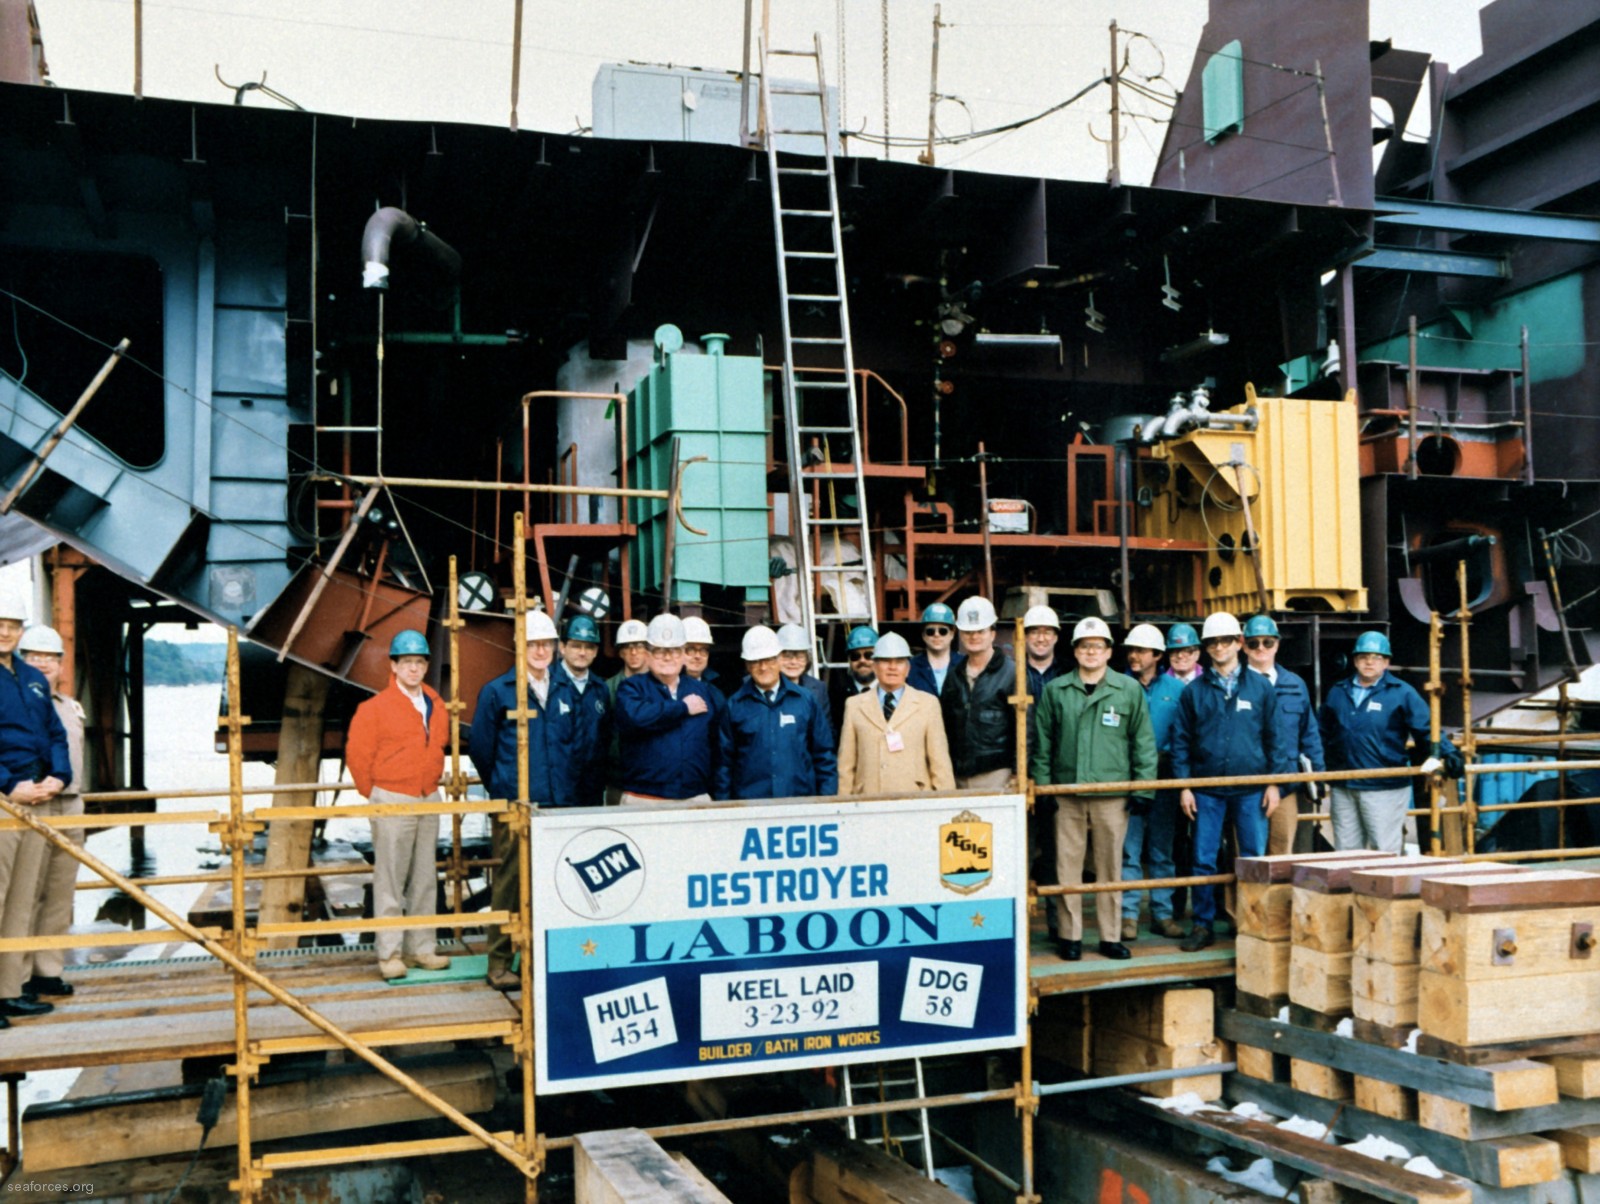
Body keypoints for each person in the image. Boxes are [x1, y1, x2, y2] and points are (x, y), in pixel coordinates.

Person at [469, 609, 590, 988]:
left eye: (546, 644)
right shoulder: (497, 692)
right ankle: (500, 962)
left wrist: (566, 789)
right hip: (516, 806)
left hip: (560, 805)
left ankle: (543, 958)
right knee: (509, 882)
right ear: (519, 647)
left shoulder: (566, 690)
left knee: (556, 884)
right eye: (533, 644)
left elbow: (579, 746)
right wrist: (504, 787)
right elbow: (480, 750)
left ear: (556, 648)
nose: (540, 650)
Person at [1030, 617, 1156, 962]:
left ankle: (1110, 936)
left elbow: (1142, 742)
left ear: (1108, 652)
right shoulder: (1056, 690)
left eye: (1097, 646)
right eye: (1084, 646)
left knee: (1110, 868)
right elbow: (1043, 745)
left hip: (1111, 795)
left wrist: (1143, 790)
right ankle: (1070, 937)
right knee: (1066, 868)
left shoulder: (1127, 690)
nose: (1091, 652)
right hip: (1067, 795)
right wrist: (1044, 791)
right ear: (1074, 651)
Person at [1170, 612, 1285, 952]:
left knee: (1252, 857)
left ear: (1238, 643)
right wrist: (1185, 786)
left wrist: (1274, 783)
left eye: (1225, 640)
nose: (1219, 647)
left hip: (1251, 788)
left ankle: (1253, 923)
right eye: (1212, 642)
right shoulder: (1194, 692)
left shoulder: (1261, 687)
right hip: (1207, 789)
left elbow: (1275, 738)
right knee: (1203, 858)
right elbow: (1181, 741)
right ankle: (1203, 924)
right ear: (1206, 648)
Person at [344, 630, 452, 981]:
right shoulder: (373, 709)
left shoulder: (436, 704)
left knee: (424, 877)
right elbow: (358, 756)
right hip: (393, 797)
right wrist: (376, 794)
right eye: (407, 662)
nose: (414, 669)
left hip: (428, 796)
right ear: (393, 666)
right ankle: (389, 953)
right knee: (390, 878)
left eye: (419, 662)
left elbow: (439, 746)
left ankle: (421, 949)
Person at [1319, 630, 1461, 854]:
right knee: (1345, 852)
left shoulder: (1402, 693)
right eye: (1364, 656)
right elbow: (1322, 732)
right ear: (1355, 660)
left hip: (1384, 787)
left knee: (1383, 850)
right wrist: (1320, 770)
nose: (1369, 662)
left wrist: (1449, 752)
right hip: (1344, 784)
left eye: (1376, 657)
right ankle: (1350, 890)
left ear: (1386, 663)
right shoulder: (1337, 692)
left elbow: (1426, 728)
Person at [0, 589, 69, 1024]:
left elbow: (56, 734)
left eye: (11, 625)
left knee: (22, 901)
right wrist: (9, 786)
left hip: (36, 796)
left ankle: (9, 991)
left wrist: (58, 777)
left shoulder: (32, 678)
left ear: (20, 631)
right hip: (5, 798)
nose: (4, 632)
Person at [16, 625, 83, 1000]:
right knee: (24, 895)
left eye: (50, 658)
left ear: (61, 664)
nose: (43, 664)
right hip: (32, 805)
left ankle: (47, 970)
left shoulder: (70, 707)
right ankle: (17, 976)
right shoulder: (15, 701)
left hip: (71, 805)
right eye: (33, 657)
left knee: (59, 895)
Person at [1118, 623, 1189, 941]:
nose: (1134, 656)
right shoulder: (1118, 687)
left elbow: (1185, 736)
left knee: (1162, 849)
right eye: (1131, 650)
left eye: (1141, 651)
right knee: (1129, 850)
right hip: (1127, 776)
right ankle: (1128, 916)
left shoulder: (1177, 692)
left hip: (1164, 776)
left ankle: (1162, 913)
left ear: (1158, 655)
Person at [613, 614, 723, 804]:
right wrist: (682, 707)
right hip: (644, 798)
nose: (667, 657)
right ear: (647, 655)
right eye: (659, 651)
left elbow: (718, 744)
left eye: (674, 651)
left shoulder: (702, 691)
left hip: (694, 797)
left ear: (682, 656)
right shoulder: (632, 688)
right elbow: (635, 718)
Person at [717, 626, 837, 800]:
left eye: (769, 659)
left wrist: (826, 800)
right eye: (756, 661)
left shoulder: (805, 700)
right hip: (751, 807)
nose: (764, 667)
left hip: (799, 802)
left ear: (779, 660)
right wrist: (725, 810)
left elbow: (824, 755)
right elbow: (724, 765)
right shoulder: (734, 706)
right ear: (747, 665)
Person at [1243, 615, 1325, 856]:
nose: (1261, 648)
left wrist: (1317, 780)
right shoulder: (1233, 685)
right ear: (1243, 645)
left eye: (1267, 642)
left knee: (1282, 854)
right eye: (1253, 642)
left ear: (1277, 644)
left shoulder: (1295, 685)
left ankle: (1280, 896)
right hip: (1244, 787)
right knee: (1247, 858)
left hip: (1285, 787)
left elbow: (1309, 734)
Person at [838, 633, 955, 796]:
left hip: (915, 800)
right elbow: (846, 766)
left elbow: (940, 762)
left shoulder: (928, 704)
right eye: (885, 661)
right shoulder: (854, 705)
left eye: (899, 662)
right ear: (875, 666)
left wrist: (945, 804)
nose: (892, 667)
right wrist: (843, 808)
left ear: (908, 668)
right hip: (868, 801)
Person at [941, 596, 1016, 790]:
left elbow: (1026, 728)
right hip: (958, 775)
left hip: (997, 775)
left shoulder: (1012, 674)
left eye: (980, 631)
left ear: (992, 633)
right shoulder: (954, 676)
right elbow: (945, 727)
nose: (973, 637)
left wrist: (1018, 772)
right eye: (968, 631)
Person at [557, 614, 612, 808]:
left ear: (596, 651)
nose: (582, 652)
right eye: (575, 646)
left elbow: (605, 737)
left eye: (589, 647)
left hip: (591, 791)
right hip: (556, 791)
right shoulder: (548, 685)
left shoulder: (600, 689)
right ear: (562, 647)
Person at [603, 617, 651, 804]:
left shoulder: (662, 686)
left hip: (652, 780)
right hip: (618, 780)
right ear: (620, 652)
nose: (633, 652)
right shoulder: (607, 689)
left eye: (639, 645)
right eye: (627, 646)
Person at [829, 625, 879, 733]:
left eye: (868, 655)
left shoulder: (891, 691)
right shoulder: (837, 697)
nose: (862, 660)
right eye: (855, 656)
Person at [908, 603, 962, 696]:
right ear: (923, 635)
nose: (936, 635)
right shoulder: (911, 667)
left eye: (943, 631)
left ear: (952, 633)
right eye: (930, 631)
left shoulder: (965, 664)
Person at [775, 623, 829, 715]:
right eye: (787, 656)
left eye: (800, 656)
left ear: (807, 659)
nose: (793, 662)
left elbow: (826, 726)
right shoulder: (765, 686)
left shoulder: (819, 688)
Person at [682, 616, 725, 698]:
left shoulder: (715, 694)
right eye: (691, 649)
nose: (698, 656)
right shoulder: (666, 690)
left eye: (703, 650)